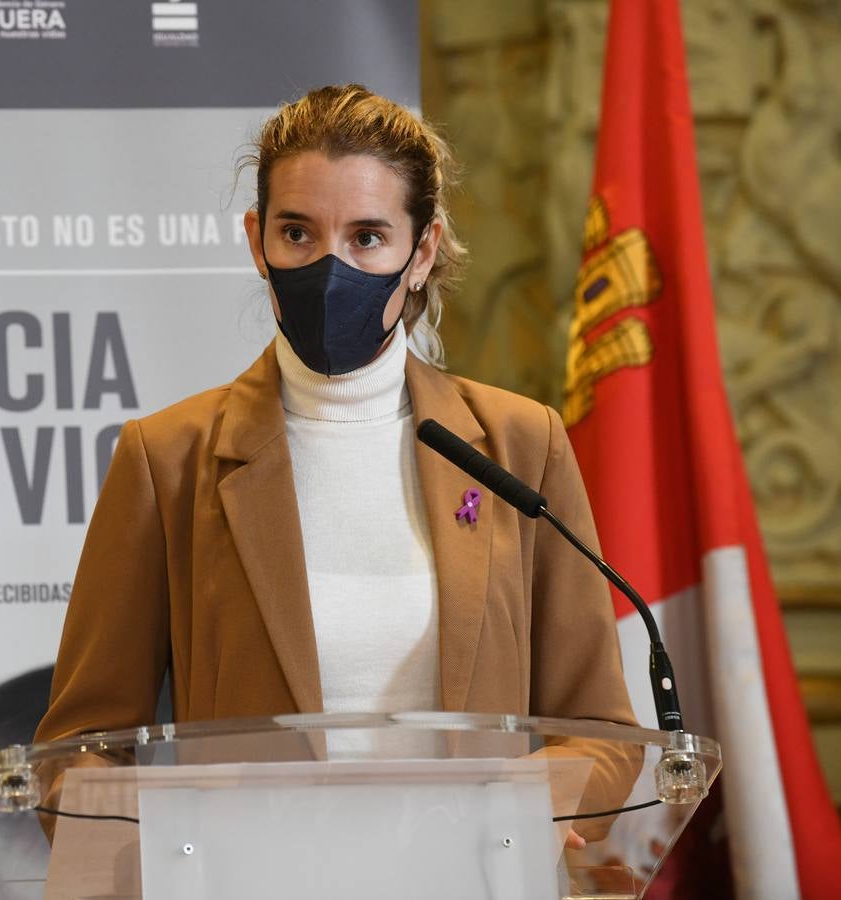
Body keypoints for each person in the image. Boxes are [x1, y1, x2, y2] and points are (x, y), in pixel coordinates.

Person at [33, 84, 639, 833]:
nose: (329, 268)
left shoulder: (521, 444)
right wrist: (169, 854)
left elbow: (602, 737)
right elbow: (75, 753)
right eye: (298, 234)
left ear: (421, 252)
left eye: (366, 238)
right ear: (257, 240)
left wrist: (503, 816)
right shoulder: (169, 460)